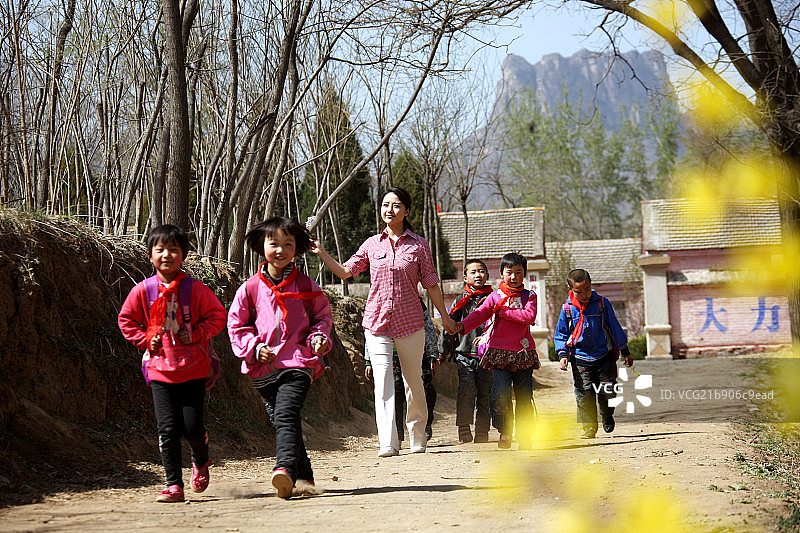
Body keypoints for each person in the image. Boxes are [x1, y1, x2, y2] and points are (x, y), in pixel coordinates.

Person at [311, 186, 457, 457]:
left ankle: (417, 436)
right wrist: (321, 252)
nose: (390, 210)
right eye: (386, 204)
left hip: (411, 322)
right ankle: (388, 442)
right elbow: (345, 272)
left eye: (397, 205)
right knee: (383, 381)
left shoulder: (419, 245)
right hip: (376, 323)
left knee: (414, 380)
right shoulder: (371, 244)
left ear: (407, 211)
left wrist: (445, 317)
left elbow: (432, 284)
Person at [118, 224, 227, 503]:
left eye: (174, 250)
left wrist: (196, 333)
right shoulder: (143, 291)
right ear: (149, 255)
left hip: (193, 369)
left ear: (184, 255)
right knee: (168, 429)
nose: (167, 255)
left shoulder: (195, 289)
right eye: (160, 249)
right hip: (159, 370)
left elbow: (217, 316)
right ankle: (173, 485)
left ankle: (200, 460)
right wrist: (144, 339)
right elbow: (126, 320)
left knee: (191, 428)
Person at [227, 217, 333, 498]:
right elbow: (236, 324)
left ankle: (283, 468)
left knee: (286, 413)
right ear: (262, 246)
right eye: (274, 243)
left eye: (288, 244)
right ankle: (305, 479)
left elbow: (321, 318)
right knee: (285, 420)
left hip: (298, 363)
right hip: (263, 370)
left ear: (296, 249)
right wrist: (253, 347)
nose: (281, 250)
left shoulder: (307, 287)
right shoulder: (250, 288)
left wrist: (318, 339)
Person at [456, 252, 539, 450]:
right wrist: (461, 326)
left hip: (523, 354)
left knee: (524, 396)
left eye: (518, 273)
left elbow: (528, 316)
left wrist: (502, 312)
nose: (513, 277)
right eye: (509, 272)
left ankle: (525, 434)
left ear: (524, 274)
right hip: (498, 354)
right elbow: (480, 314)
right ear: (501, 273)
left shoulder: (529, 296)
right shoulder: (494, 297)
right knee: (500, 394)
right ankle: (505, 432)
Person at [554, 269, 632, 439]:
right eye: (579, 291)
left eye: (587, 289)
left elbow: (614, 327)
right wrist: (563, 355)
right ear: (570, 288)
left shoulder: (602, 304)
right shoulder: (567, 309)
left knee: (608, 389)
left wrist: (624, 350)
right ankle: (589, 427)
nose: (584, 294)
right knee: (584, 392)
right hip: (580, 358)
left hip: (604, 356)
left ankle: (607, 413)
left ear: (591, 285)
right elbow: (561, 334)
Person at [439, 259, 494, 444]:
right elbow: (449, 325)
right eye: (473, 272)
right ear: (465, 277)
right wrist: (442, 350)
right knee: (466, 392)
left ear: (487, 275)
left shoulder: (494, 299)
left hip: (487, 356)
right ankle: (464, 429)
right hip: (464, 354)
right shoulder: (460, 300)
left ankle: (482, 431)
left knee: (485, 394)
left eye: (481, 271)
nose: (478, 275)